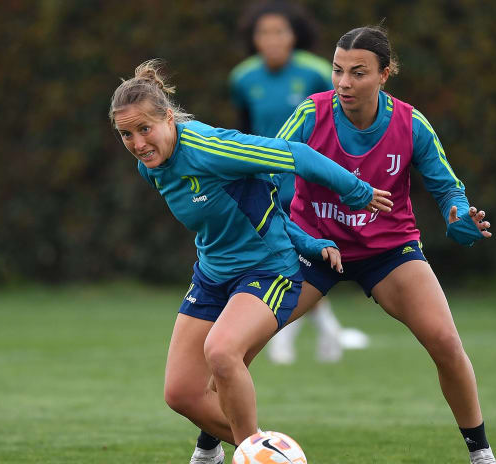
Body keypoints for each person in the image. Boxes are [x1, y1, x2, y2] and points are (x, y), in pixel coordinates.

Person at [109, 59, 392, 464]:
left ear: (168, 118)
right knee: (181, 393)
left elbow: (293, 153)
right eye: (126, 134)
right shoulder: (150, 167)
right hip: (211, 275)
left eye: (144, 129)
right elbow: (252, 204)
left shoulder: (209, 146)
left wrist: (355, 190)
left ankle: (254, 457)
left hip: (267, 270)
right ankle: (268, 452)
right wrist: (309, 241)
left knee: (223, 353)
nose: (137, 143)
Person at [274, 24, 496, 464]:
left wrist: (458, 214)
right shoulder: (311, 114)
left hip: (388, 252)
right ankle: (208, 451)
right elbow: (265, 165)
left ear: (385, 73)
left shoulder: (410, 124)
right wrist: (296, 236)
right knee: (235, 346)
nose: (343, 83)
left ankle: (482, 455)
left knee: (447, 344)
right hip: (312, 248)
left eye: (358, 73)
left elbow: (448, 189)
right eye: (338, 71)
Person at [229, 0, 369, 366]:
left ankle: (293, 337)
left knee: (301, 259)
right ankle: (324, 334)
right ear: (253, 39)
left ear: (294, 35)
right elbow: (246, 134)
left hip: (310, 187)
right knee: (291, 260)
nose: (272, 40)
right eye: (264, 33)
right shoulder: (243, 78)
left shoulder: (315, 72)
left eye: (279, 31)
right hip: (267, 185)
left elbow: (339, 122)